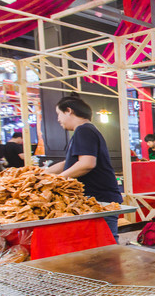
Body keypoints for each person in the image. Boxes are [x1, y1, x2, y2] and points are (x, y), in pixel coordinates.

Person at [45, 94, 123, 241]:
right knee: (96, 243)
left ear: (69, 111)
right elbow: (67, 163)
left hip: (99, 200)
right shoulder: (84, 132)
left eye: (59, 114)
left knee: (105, 244)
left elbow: (87, 164)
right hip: (95, 200)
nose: (58, 119)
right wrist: (41, 175)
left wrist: (56, 181)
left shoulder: (84, 130)